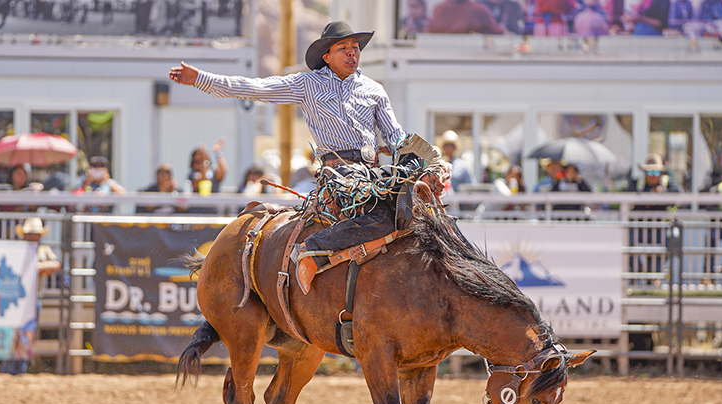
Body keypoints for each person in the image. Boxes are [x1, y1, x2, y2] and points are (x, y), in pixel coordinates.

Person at [170, 21, 420, 294]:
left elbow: (395, 136)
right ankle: (312, 249)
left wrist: (423, 162)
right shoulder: (307, 84)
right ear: (326, 56)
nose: (352, 53)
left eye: (355, 48)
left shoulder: (374, 89)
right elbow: (255, 87)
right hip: (340, 176)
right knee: (382, 216)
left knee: (415, 212)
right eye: (343, 48)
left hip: (374, 173)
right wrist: (201, 78)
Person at [0, 217, 62, 375]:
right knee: (13, 333)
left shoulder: (43, 250)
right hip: (14, 297)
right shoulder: (18, 249)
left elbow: (56, 264)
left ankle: (20, 368)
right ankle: (9, 367)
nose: (33, 237)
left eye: (35, 234)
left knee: (27, 334)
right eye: (30, 234)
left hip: (32, 298)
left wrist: (38, 267)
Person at [426, 0, 504, 33]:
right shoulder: (440, 10)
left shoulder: (479, 10)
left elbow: (497, 33)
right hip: (442, 55)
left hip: (473, 56)